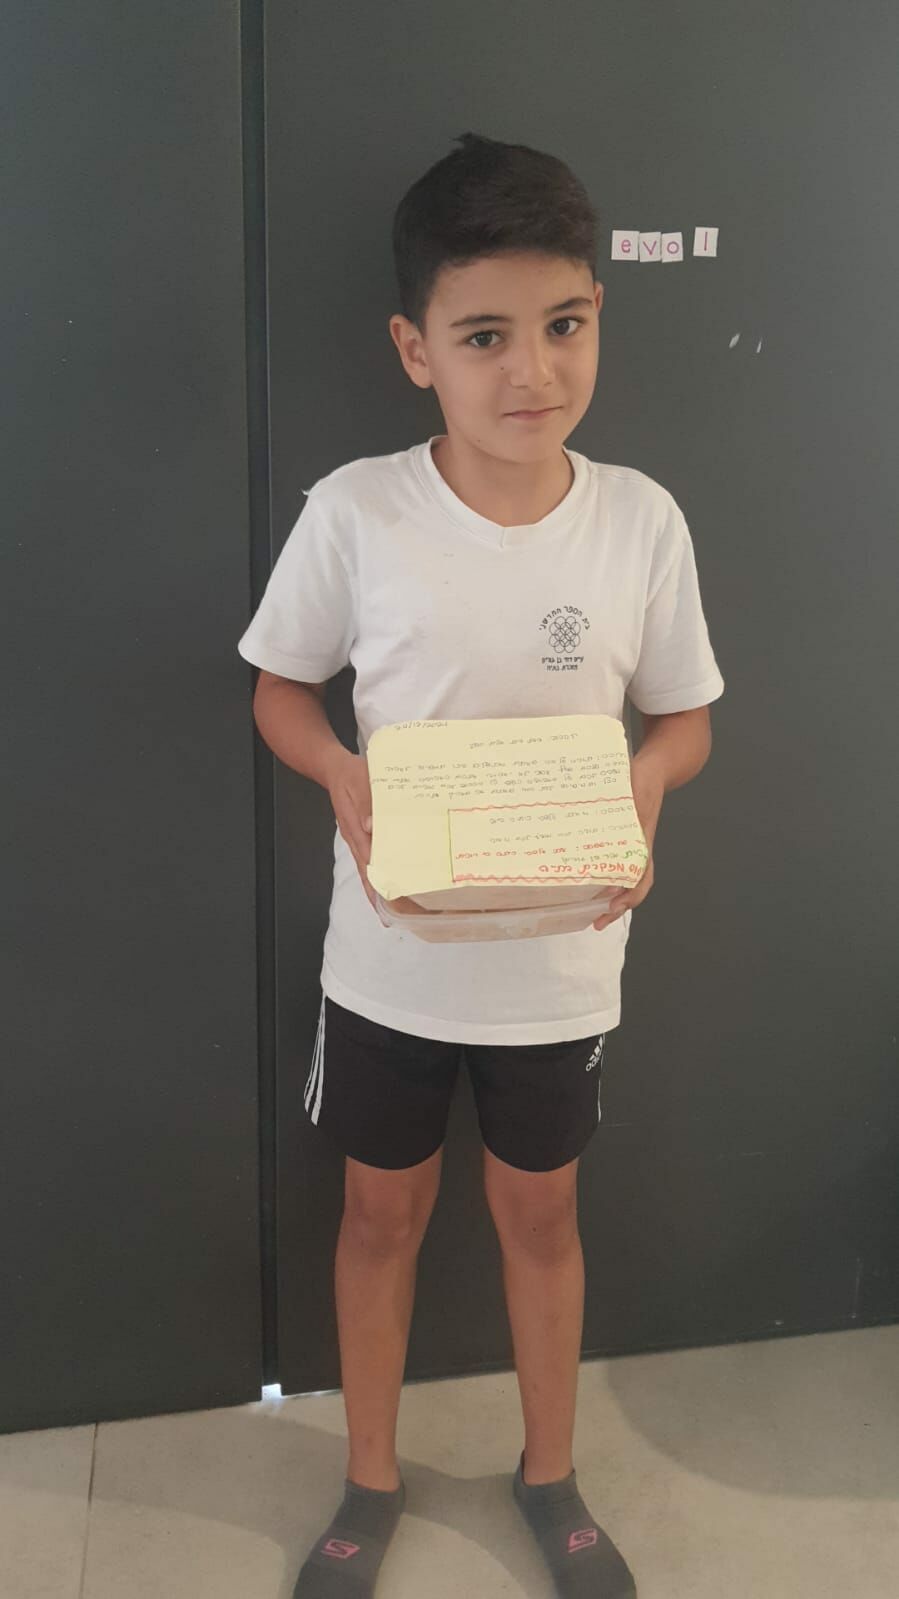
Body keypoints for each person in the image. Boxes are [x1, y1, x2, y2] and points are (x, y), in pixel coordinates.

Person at [238, 131, 725, 1599]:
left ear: (598, 316)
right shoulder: (359, 510)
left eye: (564, 324)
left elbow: (686, 719)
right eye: (485, 336)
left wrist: (645, 785)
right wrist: (341, 773)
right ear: (416, 350)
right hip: (391, 961)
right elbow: (279, 690)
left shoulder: (640, 519)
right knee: (378, 1215)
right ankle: (370, 1478)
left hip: (561, 965)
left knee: (542, 1215)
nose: (533, 372)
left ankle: (551, 1473)